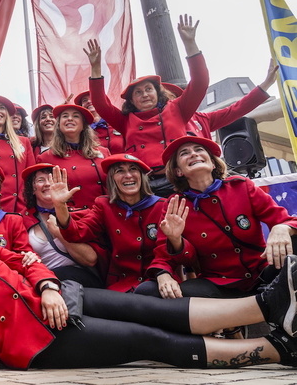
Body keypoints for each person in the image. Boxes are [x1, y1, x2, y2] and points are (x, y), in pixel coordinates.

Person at [0, 207, 297, 370]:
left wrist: (47, 287)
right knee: (148, 339)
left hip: (61, 298)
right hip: (39, 340)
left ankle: (270, 303)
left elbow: (27, 262)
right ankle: (277, 349)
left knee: (152, 310)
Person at [142, 136, 297, 299]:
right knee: (150, 291)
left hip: (266, 275)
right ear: (178, 171)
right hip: (219, 286)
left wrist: (282, 227)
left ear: (213, 162)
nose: (193, 154)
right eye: (184, 153)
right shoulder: (174, 204)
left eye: (199, 150)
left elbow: (287, 220)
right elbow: (164, 257)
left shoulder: (242, 186)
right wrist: (165, 267)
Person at [86, 15, 207, 196]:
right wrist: (95, 68)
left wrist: (190, 45)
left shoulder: (177, 109)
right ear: (131, 100)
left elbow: (200, 82)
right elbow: (100, 104)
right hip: (146, 185)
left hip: (181, 180)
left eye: (148, 89)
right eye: (138, 92)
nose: (144, 95)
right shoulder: (125, 120)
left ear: (157, 93)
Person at [53, 155, 167, 292]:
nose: (128, 175)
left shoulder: (162, 206)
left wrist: (163, 274)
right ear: (112, 180)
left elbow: (167, 251)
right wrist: (60, 206)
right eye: (120, 171)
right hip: (121, 287)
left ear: (142, 177)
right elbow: (77, 233)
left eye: (133, 169)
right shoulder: (104, 205)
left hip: (157, 282)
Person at [22, 163, 103, 288]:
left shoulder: (80, 214)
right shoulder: (22, 220)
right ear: (32, 188)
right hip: (43, 278)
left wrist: (58, 233)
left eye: (51, 179)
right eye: (40, 180)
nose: (47, 184)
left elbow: (90, 259)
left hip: (81, 279)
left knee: (62, 276)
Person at [36, 104, 110, 210]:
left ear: (83, 124)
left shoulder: (103, 152)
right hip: (71, 219)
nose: (70, 118)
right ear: (59, 124)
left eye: (76, 116)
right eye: (65, 116)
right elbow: (42, 195)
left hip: (104, 215)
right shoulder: (45, 157)